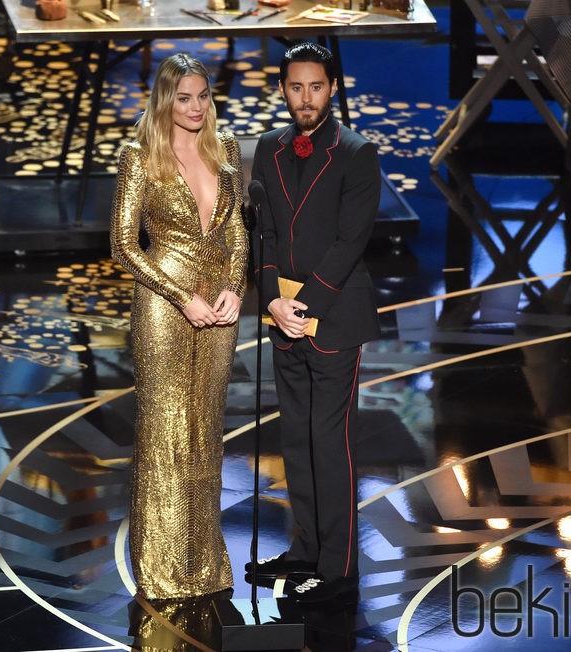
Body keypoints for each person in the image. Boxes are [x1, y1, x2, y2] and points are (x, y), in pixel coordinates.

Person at [110, 53, 248, 600]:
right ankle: (162, 571)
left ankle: (203, 567)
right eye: (184, 97)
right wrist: (179, 295)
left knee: (206, 433)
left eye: (203, 95)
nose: (195, 107)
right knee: (167, 432)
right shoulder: (139, 156)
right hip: (165, 305)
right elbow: (123, 244)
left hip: (220, 306)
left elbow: (237, 230)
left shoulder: (228, 149)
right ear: (165, 100)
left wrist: (236, 288)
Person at [247, 42, 381, 603]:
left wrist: (306, 307)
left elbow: (351, 241)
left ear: (332, 88)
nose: (306, 98)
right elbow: (265, 234)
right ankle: (304, 550)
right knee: (296, 440)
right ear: (283, 89)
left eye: (316, 87)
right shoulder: (267, 149)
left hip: (333, 317)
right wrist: (274, 300)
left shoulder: (356, 152)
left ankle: (339, 565)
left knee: (330, 441)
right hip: (284, 316)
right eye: (296, 87)